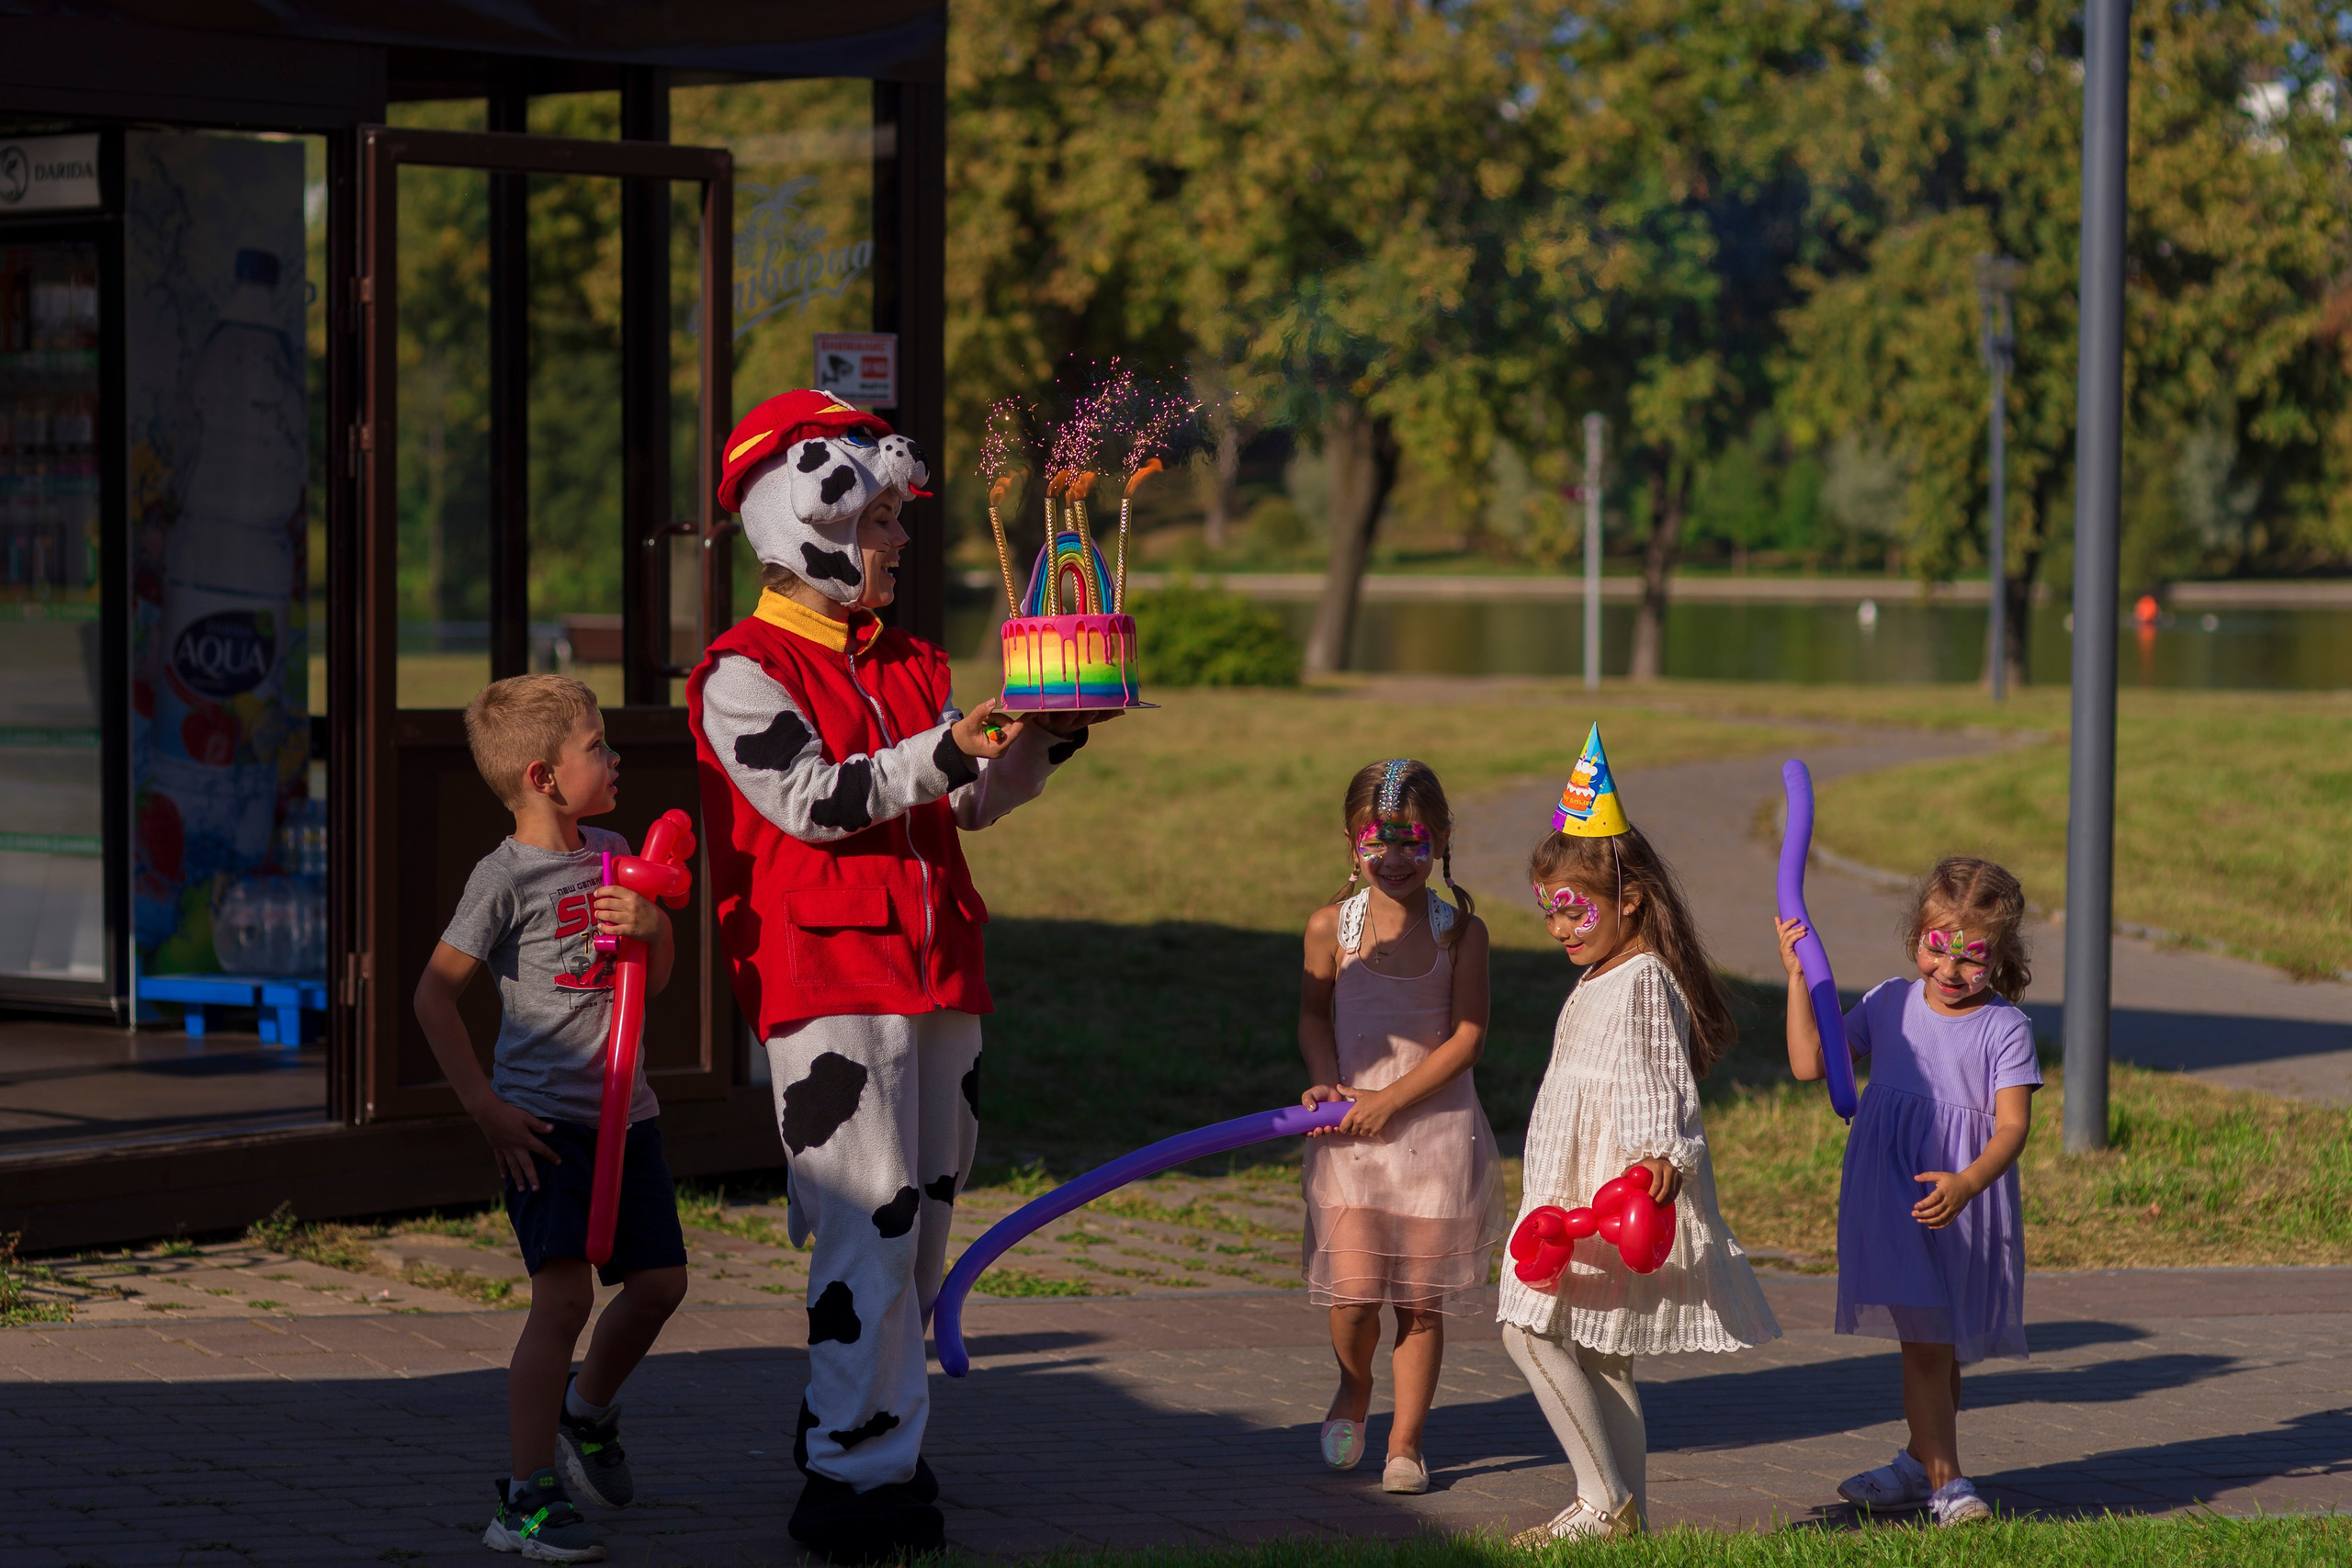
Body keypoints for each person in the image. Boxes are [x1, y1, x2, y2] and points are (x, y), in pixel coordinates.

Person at [686, 390, 1111, 1563]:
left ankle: (860, 1429)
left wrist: (1040, 733)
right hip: (828, 976)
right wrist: (943, 749)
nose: (898, 542)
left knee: (915, 1232)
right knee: (863, 1227)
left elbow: (966, 802)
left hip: (936, 973)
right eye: (879, 522)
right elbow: (814, 801)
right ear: (803, 520)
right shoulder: (739, 672)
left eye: (894, 520)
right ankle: (856, 1476)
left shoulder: (912, 658)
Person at [414, 673, 690, 1564]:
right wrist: (486, 1108)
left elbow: (661, 979)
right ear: (542, 775)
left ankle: (589, 1414)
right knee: (564, 1295)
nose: (614, 759)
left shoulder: (614, 851)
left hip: (629, 1117)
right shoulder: (502, 879)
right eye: (598, 747)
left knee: (659, 1287)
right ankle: (525, 1498)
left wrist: (652, 925)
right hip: (544, 1128)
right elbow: (433, 997)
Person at [1500, 726, 1780, 1545]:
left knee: (1525, 1328)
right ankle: (1632, 1521)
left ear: (1629, 898)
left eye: (1575, 906)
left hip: (1611, 1198)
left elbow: (1660, 1081)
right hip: (1576, 1192)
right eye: (1548, 906)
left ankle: (1602, 1502)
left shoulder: (1642, 979)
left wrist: (1660, 1156)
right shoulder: (1599, 975)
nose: (1559, 924)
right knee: (1601, 1353)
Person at [1779, 854, 2040, 1528]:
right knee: (1924, 1344)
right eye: (1936, 948)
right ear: (1916, 936)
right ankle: (1948, 1484)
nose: (1950, 971)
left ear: (2000, 954)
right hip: (1893, 1193)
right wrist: (1796, 979)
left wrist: (1969, 1181)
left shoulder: (2004, 1027)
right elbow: (1810, 1062)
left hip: (1962, 1201)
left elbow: (2012, 1127)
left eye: (1971, 956)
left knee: (1943, 1344)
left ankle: (1915, 1462)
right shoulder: (1889, 1001)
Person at [1297, 758, 1505, 1496]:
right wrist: (1326, 1079)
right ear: (1351, 841)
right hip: (1350, 1144)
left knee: (1420, 1302)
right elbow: (1314, 1016)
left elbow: (1467, 1038)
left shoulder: (1462, 935)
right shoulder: (1330, 928)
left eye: (1414, 842)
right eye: (1375, 842)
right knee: (1353, 1296)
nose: (1394, 859)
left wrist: (1391, 1100)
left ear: (1443, 839)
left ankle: (1407, 1441)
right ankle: (1353, 1387)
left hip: (1435, 1139)